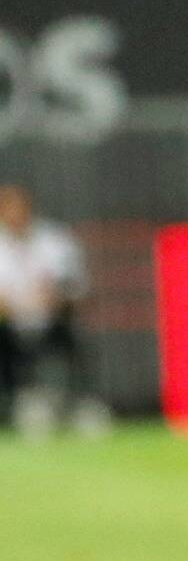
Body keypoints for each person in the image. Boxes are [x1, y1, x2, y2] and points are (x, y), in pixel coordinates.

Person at [0, 184, 91, 433]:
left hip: (53, 321)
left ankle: (78, 404)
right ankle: (20, 402)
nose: (14, 214)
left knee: (70, 337)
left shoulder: (55, 240)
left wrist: (56, 298)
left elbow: (75, 286)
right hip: (9, 326)